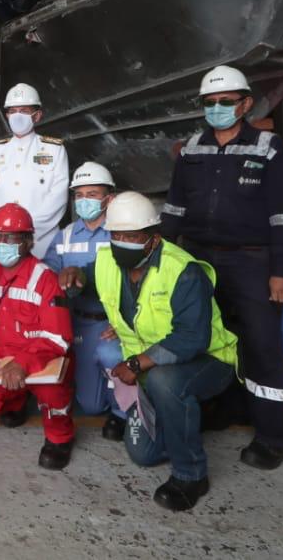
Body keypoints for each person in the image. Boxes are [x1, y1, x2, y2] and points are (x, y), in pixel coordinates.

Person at [160, 64, 283, 470]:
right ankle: (223, 410)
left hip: (252, 261)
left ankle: (274, 436)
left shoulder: (268, 148)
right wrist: (161, 258)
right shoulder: (191, 149)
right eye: (210, 103)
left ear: (244, 104)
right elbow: (173, 209)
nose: (218, 108)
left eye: (226, 102)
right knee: (207, 338)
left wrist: (282, 270)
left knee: (262, 345)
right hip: (199, 258)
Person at [80, 193, 239, 511]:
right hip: (147, 361)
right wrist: (74, 276)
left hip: (209, 359)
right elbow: (90, 276)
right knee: (144, 454)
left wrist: (137, 362)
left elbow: (193, 338)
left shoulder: (183, 270)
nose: (122, 242)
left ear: (153, 238)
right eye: (116, 235)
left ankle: (191, 474)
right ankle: (186, 416)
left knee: (166, 382)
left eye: (132, 236)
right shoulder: (106, 261)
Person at [0, 203, 75, 470]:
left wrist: (24, 364)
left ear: (28, 241)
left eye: (12, 237)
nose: (3, 243)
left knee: (54, 393)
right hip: (3, 357)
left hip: (42, 360)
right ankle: (17, 400)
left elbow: (58, 340)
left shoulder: (45, 279)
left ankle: (59, 437)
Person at [45, 161, 121, 436]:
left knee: (113, 357)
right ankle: (106, 398)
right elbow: (47, 279)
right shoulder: (63, 236)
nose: (84, 200)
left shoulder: (121, 233)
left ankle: (122, 413)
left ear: (109, 199)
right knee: (90, 406)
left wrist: (126, 324)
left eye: (93, 194)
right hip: (79, 324)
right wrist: (63, 278)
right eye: (79, 195)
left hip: (113, 325)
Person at [0, 82, 69, 259]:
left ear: (37, 116)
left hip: (42, 244)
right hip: (2, 244)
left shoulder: (54, 150)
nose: (17, 116)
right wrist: (5, 228)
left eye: (24, 111)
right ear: (7, 115)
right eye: (12, 111)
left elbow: (57, 198)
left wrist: (27, 232)